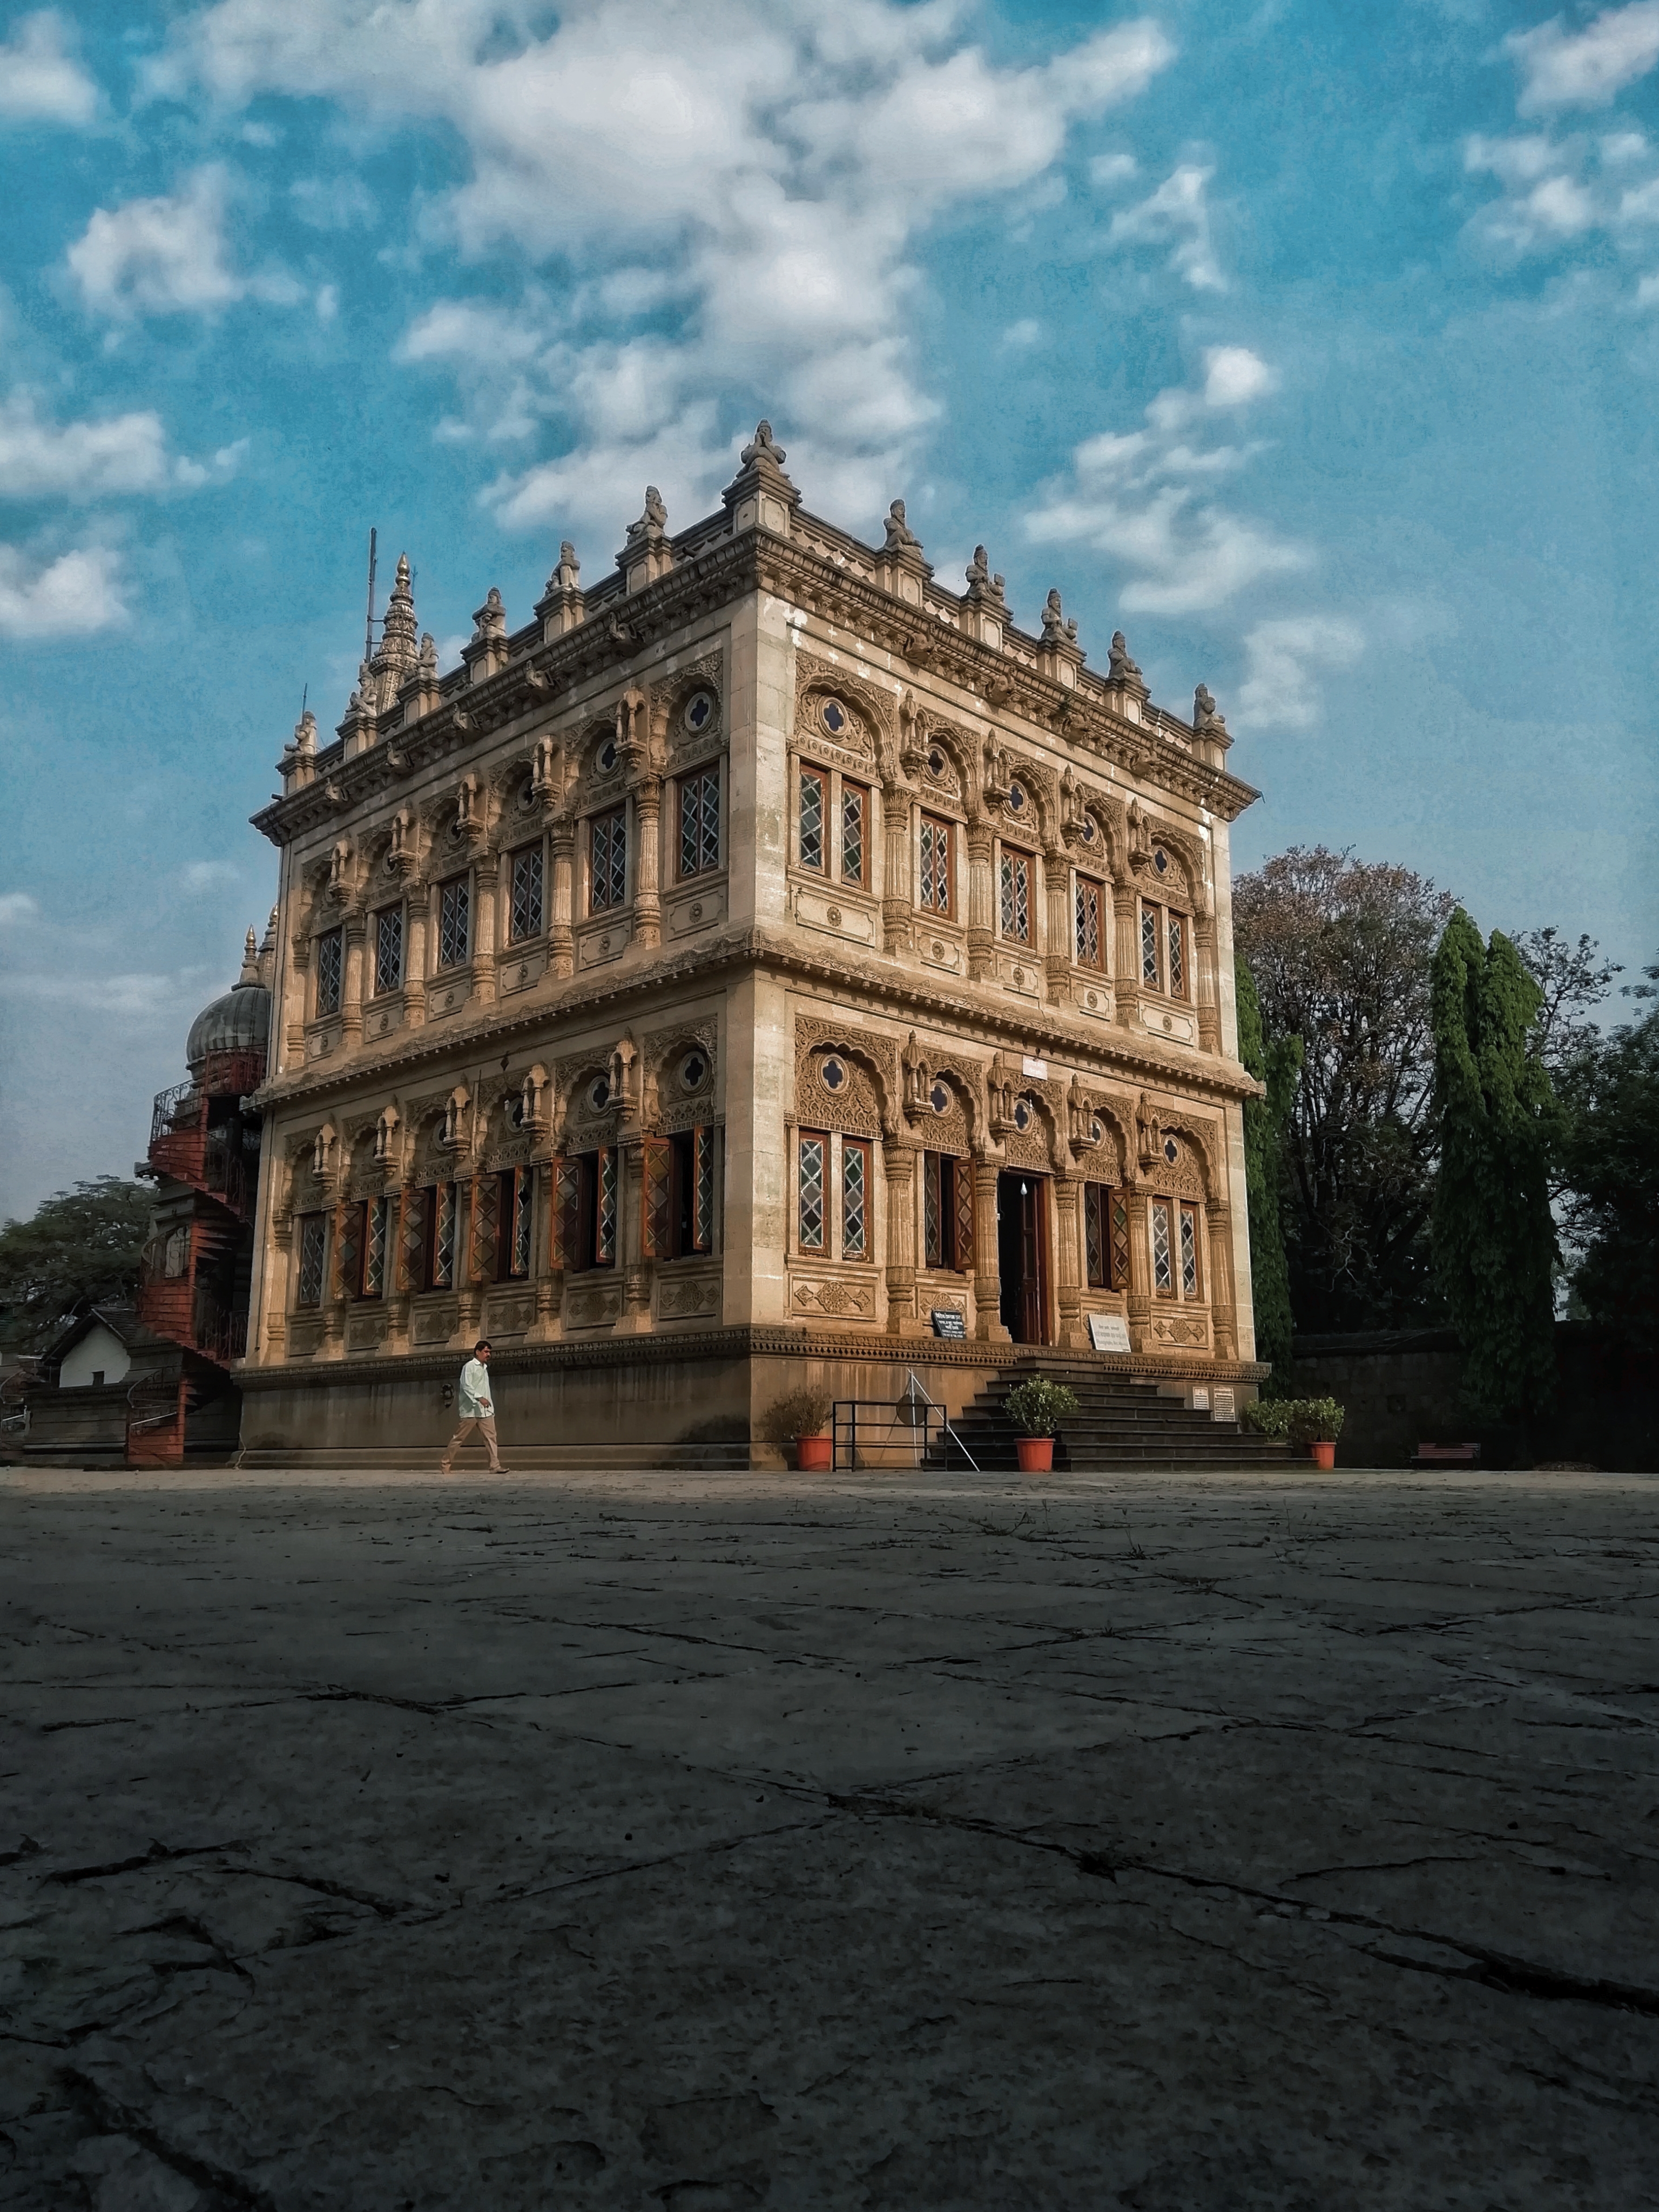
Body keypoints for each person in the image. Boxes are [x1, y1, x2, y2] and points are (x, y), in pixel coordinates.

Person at [441, 1341, 505, 1475]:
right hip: (471, 1409)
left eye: (489, 1352)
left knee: (491, 1438)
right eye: (486, 1352)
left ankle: (495, 1466)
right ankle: (446, 1463)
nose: (488, 1355)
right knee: (459, 1438)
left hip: (486, 1410)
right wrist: (479, 1398)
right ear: (478, 1352)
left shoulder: (484, 1368)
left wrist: (487, 1402)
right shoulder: (469, 1367)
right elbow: (466, 1386)